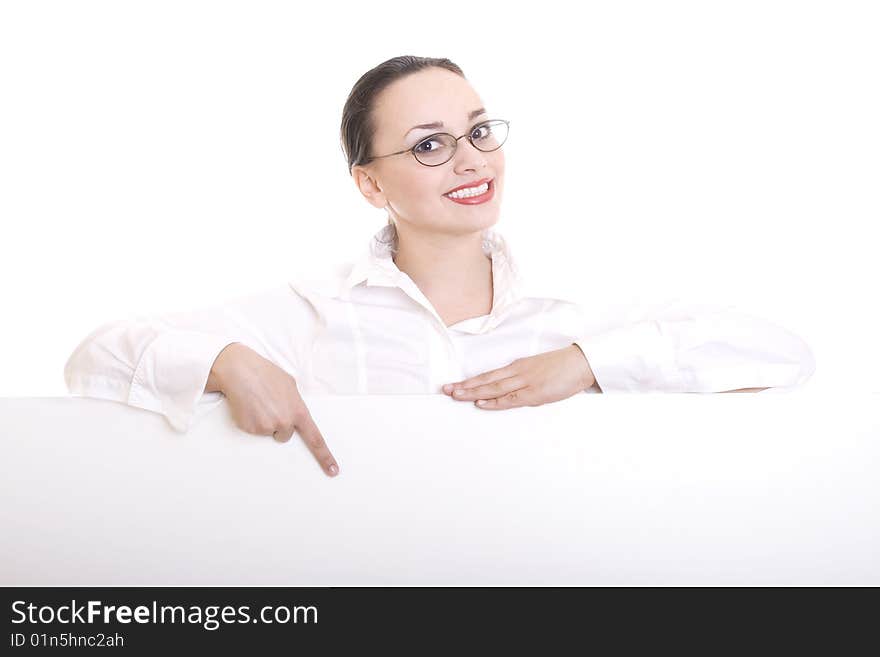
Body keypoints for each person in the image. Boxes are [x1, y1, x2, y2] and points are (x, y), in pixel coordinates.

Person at [64, 55, 816, 479]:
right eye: (430, 143)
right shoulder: (314, 314)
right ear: (370, 184)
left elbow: (780, 351)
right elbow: (94, 356)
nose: (471, 159)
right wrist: (228, 361)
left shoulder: (574, 310)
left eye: (478, 131)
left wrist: (587, 362)